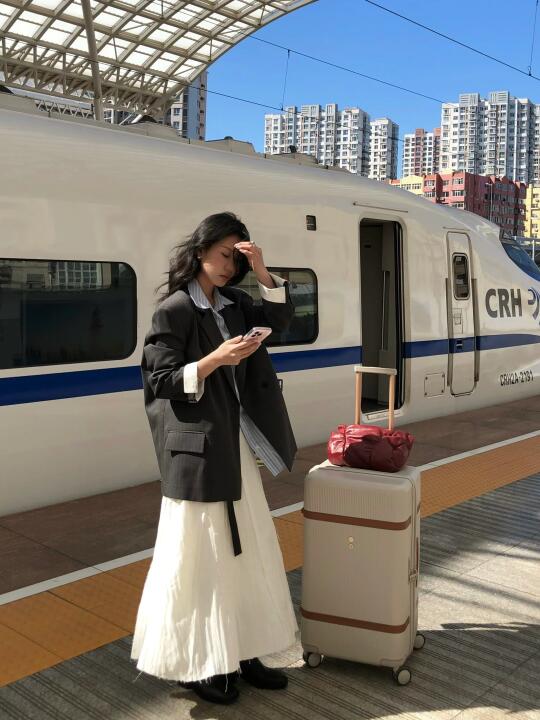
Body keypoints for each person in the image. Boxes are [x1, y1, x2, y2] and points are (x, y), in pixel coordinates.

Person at [131, 212, 298, 705]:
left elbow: (280, 323)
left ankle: (243, 652)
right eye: (225, 255)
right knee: (202, 559)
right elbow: (160, 380)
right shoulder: (175, 311)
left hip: (234, 446)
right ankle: (202, 663)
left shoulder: (237, 303)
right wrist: (214, 360)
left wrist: (262, 270)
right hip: (198, 453)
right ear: (201, 250)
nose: (229, 266)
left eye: (236, 260)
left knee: (245, 551)